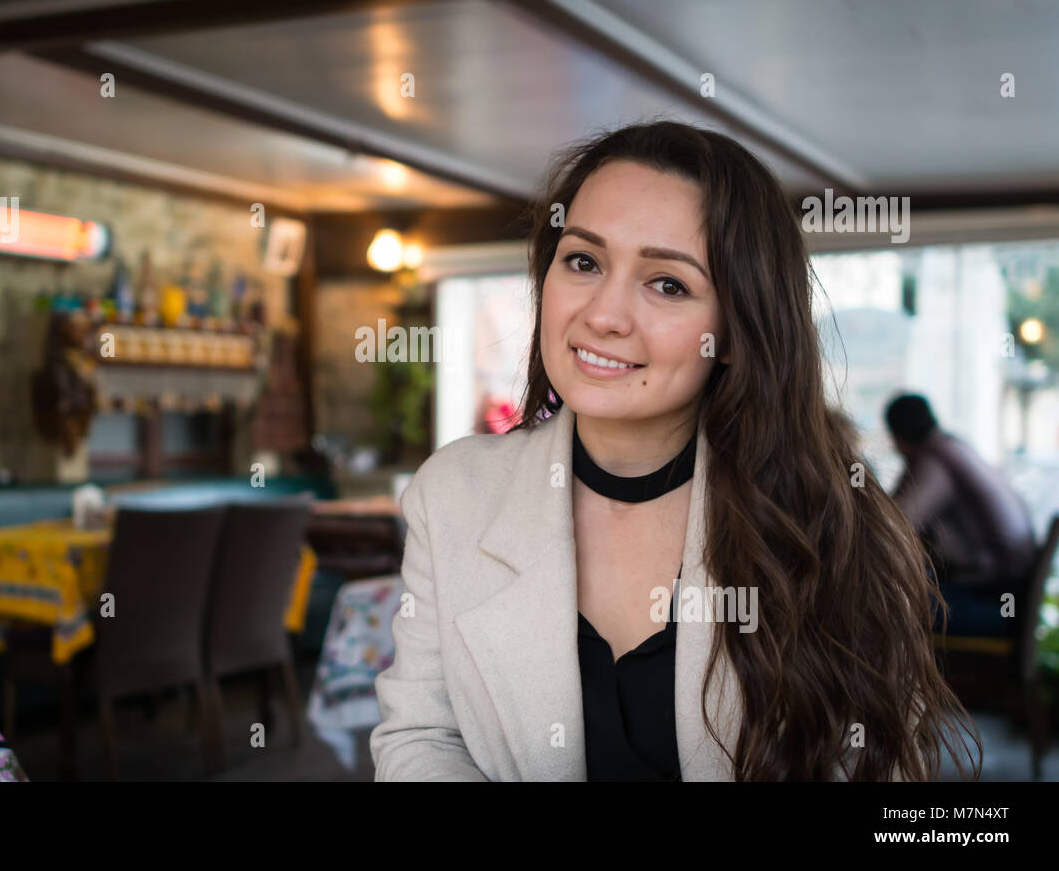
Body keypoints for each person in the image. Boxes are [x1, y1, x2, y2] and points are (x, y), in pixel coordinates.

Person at [369, 120, 980, 781]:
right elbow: (422, 736)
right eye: (583, 260)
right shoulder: (454, 492)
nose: (604, 314)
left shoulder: (833, 519)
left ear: (739, 325)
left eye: (667, 283)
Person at [884, 393, 1035, 635]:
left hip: (993, 603)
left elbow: (896, 525)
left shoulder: (935, 460)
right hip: (1008, 599)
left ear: (897, 437)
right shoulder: (956, 449)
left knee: (880, 605)